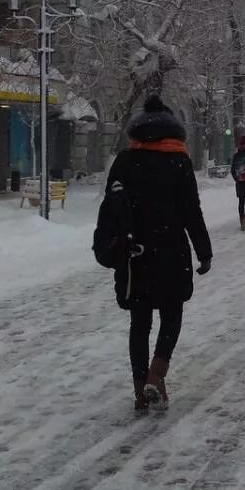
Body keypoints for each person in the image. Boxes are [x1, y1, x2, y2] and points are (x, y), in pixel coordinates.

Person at [94, 95, 212, 412]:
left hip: (135, 255)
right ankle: (156, 375)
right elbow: (192, 212)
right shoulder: (179, 162)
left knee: (140, 322)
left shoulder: (124, 161)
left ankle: (138, 389)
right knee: (172, 315)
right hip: (171, 252)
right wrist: (204, 250)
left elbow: (110, 210)